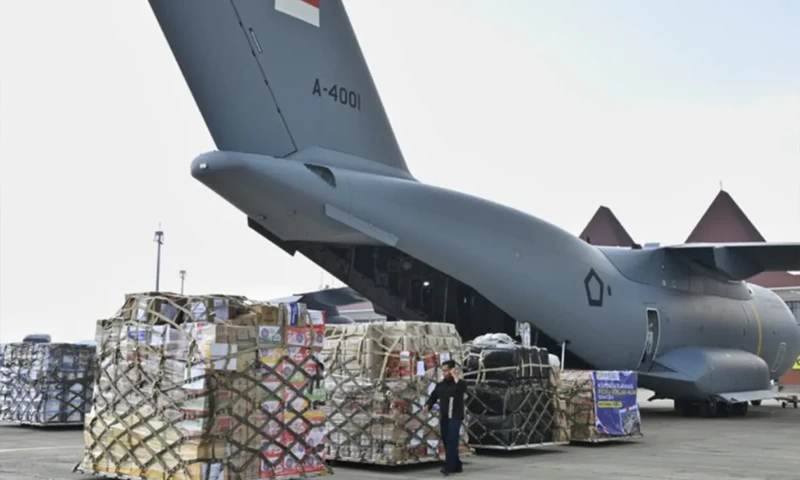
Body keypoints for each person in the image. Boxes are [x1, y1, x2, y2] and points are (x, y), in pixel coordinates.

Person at [422, 359, 466, 475]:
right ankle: (456, 465)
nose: (444, 373)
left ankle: (448, 467)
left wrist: (456, 377)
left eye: (446, 371)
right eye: (443, 371)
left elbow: (461, 390)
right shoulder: (441, 385)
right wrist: (427, 405)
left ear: (452, 370)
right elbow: (434, 396)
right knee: (447, 441)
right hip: (445, 416)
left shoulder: (459, 383)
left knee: (452, 441)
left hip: (455, 416)